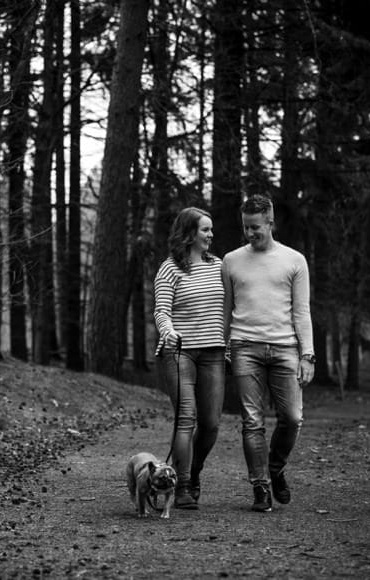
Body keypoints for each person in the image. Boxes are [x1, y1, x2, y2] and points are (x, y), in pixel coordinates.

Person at [222, 194, 315, 512]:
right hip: (244, 346)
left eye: (256, 227)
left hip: (286, 347)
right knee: (252, 421)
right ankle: (260, 486)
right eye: (246, 227)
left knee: (292, 418)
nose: (250, 233)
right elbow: (227, 308)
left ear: (271, 223)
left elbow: (302, 311)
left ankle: (275, 468)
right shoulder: (231, 260)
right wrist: (224, 347)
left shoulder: (294, 260)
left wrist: (308, 355)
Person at [153, 206, 226, 509]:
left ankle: (193, 471)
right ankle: (181, 485)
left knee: (210, 423)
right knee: (186, 418)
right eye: (205, 229)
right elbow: (161, 311)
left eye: (211, 229)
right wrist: (168, 331)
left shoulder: (220, 266)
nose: (211, 234)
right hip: (179, 352)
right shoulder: (170, 268)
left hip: (213, 352)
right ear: (190, 233)